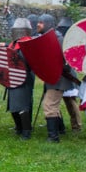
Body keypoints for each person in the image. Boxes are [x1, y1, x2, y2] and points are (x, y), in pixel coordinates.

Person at [36, 14, 78, 143]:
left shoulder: (58, 39)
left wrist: (56, 69)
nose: (38, 24)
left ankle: (53, 137)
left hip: (59, 77)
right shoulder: (47, 38)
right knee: (52, 105)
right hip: (52, 77)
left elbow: (67, 60)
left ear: (48, 24)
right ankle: (60, 129)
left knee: (49, 105)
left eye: (41, 22)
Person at [6, 18, 36, 140]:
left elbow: (29, 62)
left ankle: (26, 131)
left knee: (23, 105)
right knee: (13, 105)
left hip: (24, 77)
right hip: (12, 77)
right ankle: (19, 127)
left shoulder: (28, 43)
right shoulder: (13, 44)